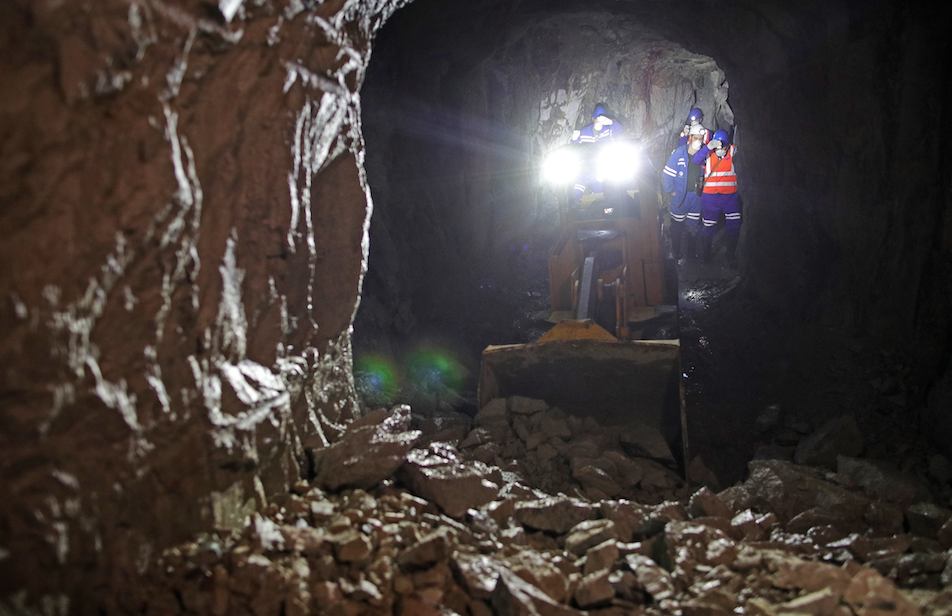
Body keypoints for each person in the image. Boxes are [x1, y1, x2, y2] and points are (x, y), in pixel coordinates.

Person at [692, 129, 741, 267]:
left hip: (730, 197)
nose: (719, 150)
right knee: (708, 226)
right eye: (717, 147)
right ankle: (706, 256)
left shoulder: (733, 151)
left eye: (722, 147)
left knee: (734, 224)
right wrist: (708, 147)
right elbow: (695, 160)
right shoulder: (708, 154)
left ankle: (730, 255)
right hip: (710, 198)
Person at [662, 124, 706, 262]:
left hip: (696, 196)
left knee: (693, 226)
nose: (698, 141)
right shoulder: (679, 153)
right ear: (690, 137)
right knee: (677, 225)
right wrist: (672, 191)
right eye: (695, 137)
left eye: (700, 138)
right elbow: (667, 175)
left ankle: (691, 253)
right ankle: (676, 252)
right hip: (681, 196)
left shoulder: (704, 155)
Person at [570, 104, 625, 204]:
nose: (598, 121)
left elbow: (619, 129)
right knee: (577, 188)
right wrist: (574, 139)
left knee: (601, 192)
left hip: (604, 168)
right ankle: (573, 207)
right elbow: (575, 149)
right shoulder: (584, 132)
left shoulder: (608, 131)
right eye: (596, 119)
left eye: (600, 119)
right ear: (592, 118)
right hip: (587, 168)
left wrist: (611, 122)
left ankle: (603, 208)